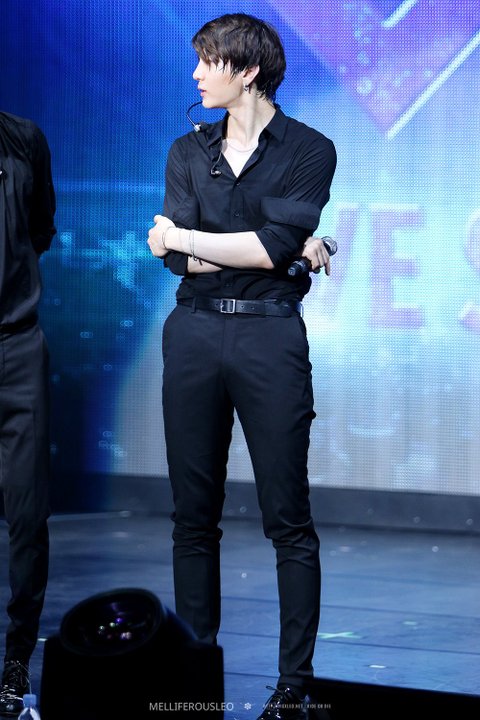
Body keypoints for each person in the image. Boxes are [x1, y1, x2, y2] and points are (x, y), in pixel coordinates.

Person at [148, 13, 336, 720]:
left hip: (269, 337)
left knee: (288, 516)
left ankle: (294, 684)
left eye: (209, 61)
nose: (197, 74)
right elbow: (180, 262)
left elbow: (264, 248)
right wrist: (269, 249)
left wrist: (190, 238)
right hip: (194, 332)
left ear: (247, 70)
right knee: (192, 517)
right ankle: (193, 680)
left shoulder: (309, 149)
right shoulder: (187, 150)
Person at [0, 111, 56, 716]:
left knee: (27, 512)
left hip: (17, 346)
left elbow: (40, 230)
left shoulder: (22, 139)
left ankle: (16, 661)